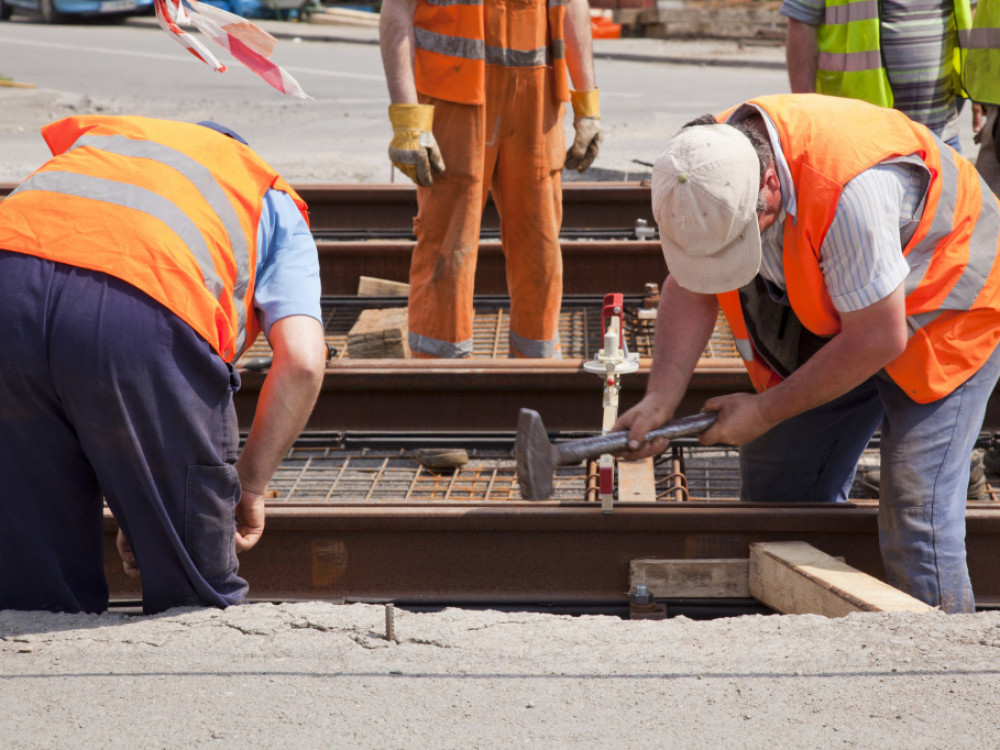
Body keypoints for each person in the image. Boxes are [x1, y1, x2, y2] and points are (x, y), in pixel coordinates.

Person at [614, 94, 1000, 613]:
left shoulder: (849, 195)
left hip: (950, 304)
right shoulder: (702, 165)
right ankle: (816, 630)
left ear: (769, 186)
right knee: (779, 480)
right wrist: (659, 399)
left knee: (915, 507)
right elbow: (689, 284)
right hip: (853, 306)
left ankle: (936, 663)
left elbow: (878, 339)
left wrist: (765, 410)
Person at [0, 116, 327, 615]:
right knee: (194, 590)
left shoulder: (106, 147)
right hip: (142, 307)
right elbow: (303, 362)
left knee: (36, 583)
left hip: (9, 287)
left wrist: (138, 499)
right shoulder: (264, 193)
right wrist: (250, 485)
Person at [378, 0, 602, 358]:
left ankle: (536, 371)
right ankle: (438, 375)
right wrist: (407, 117)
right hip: (454, 93)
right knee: (447, 246)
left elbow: (572, 5)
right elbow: (398, 9)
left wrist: (587, 105)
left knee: (540, 244)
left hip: (537, 97)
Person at [782, 0, 972, 152]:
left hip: (941, 134)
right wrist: (807, 117)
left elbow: (967, 13)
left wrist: (973, 89)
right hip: (858, 140)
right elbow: (802, 19)